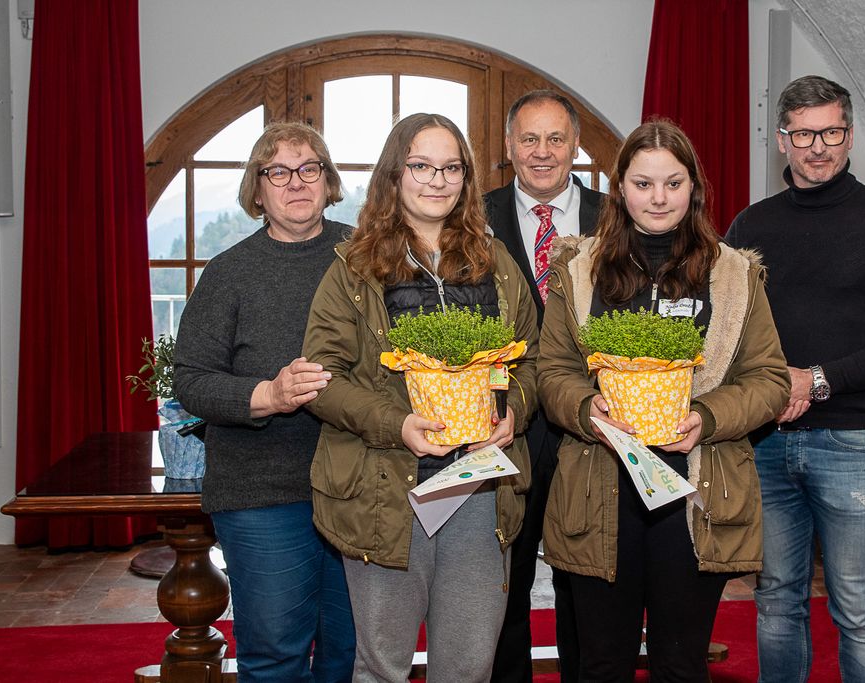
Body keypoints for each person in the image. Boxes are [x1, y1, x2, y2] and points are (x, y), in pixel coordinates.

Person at [537, 118, 790, 682]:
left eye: (673, 183)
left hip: (695, 494)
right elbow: (551, 370)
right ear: (619, 187)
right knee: (602, 662)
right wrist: (585, 409)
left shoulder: (735, 274)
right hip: (599, 491)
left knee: (681, 662)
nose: (658, 198)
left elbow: (770, 379)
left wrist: (706, 417)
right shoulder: (578, 270)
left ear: (694, 188)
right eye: (643, 183)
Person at [301, 113, 539, 683]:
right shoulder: (352, 268)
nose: (437, 179)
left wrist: (514, 412)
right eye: (422, 166)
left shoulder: (497, 263)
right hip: (387, 490)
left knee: (469, 664)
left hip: (481, 487)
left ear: (466, 177)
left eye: (451, 167)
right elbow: (322, 377)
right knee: (382, 664)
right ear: (394, 174)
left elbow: (531, 361)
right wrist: (396, 423)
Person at [726, 75, 865, 682]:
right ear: (782, 140)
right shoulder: (750, 226)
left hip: (856, 442)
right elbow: (727, 330)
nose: (818, 147)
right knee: (776, 601)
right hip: (764, 443)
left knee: (859, 608)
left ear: (849, 134)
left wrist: (817, 381)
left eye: (832, 132)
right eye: (803, 134)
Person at [172, 121, 356, 683]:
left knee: (352, 653)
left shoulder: (368, 257)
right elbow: (191, 380)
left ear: (328, 181)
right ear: (257, 189)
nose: (296, 182)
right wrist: (267, 395)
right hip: (261, 490)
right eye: (278, 171)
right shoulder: (229, 273)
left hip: (359, 484)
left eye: (310, 168)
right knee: (274, 654)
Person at [485, 89, 603, 683]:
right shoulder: (472, 220)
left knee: (587, 583)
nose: (542, 152)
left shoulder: (618, 218)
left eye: (556, 138)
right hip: (504, 427)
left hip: (596, 426)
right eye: (528, 139)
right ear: (508, 147)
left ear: (575, 145)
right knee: (505, 583)